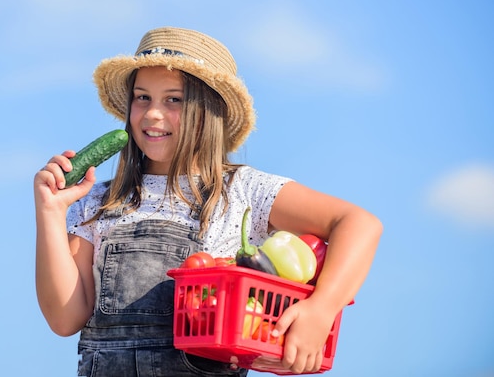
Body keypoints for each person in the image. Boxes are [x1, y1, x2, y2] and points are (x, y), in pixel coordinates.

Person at [34, 27, 382, 376]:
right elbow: (65, 318)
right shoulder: (97, 201)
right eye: (142, 98)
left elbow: (359, 224)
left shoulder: (243, 189)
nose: (153, 113)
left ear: (210, 111)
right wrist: (50, 212)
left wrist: (321, 309)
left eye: (174, 99)